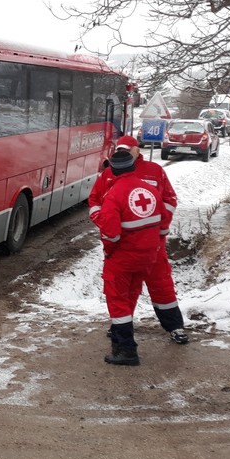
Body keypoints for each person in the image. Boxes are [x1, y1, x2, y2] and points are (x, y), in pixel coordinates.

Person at [89, 135, 190, 345]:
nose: (123, 153)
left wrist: (160, 229)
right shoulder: (108, 174)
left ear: (137, 150)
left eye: (127, 150)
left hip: (152, 243)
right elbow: (95, 200)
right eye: (119, 150)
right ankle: (121, 327)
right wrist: (104, 222)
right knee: (126, 289)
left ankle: (174, 326)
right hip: (125, 244)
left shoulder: (154, 171)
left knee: (161, 284)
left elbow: (169, 200)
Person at [91, 149, 171, 365]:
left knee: (118, 301)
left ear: (113, 171)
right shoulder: (150, 190)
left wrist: (109, 251)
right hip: (147, 257)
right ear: (133, 167)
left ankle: (126, 351)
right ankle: (124, 347)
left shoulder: (113, 195)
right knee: (130, 296)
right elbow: (164, 225)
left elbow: (111, 233)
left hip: (123, 259)